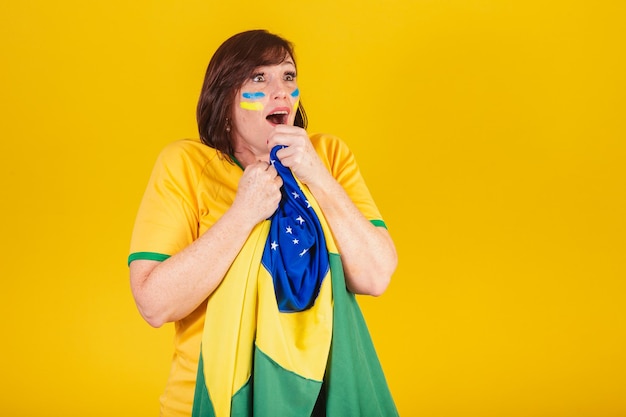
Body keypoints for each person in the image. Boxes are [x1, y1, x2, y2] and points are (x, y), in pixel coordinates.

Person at [128, 29, 399, 417]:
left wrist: (317, 178)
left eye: (288, 77)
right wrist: (243, 213)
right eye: (259, 78)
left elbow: (376, 276)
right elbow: (154, 304)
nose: (281, 91)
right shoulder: (185, 166)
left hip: (321, 399)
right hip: (210, 401)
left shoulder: (329, 157)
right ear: (225, 100)